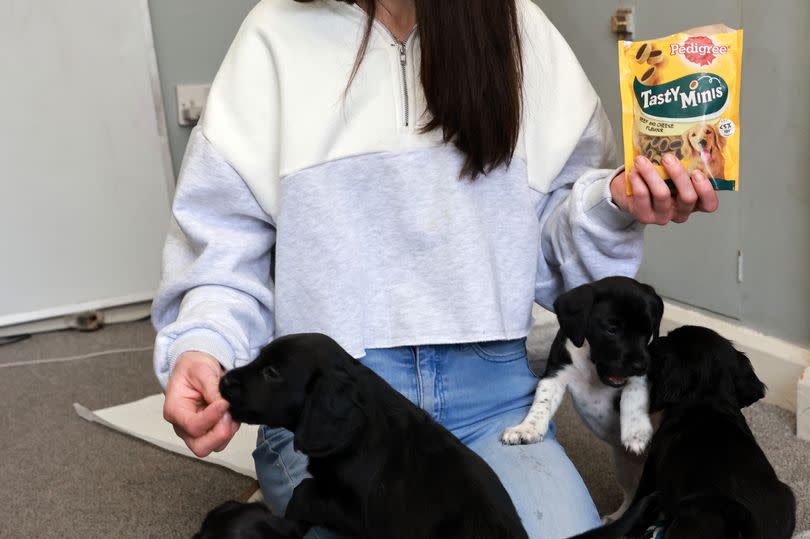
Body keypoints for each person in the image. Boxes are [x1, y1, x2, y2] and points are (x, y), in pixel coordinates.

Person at [152, 0, 719, 537]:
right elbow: (224, 243)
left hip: (492, 398)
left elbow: (557, 253)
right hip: (332, 409)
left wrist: (614, 203)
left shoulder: (521, 29)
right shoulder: (271, 34)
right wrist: (203, 343)